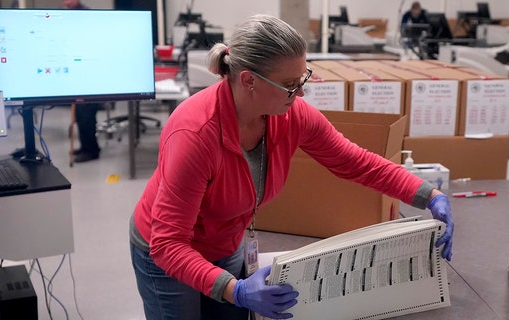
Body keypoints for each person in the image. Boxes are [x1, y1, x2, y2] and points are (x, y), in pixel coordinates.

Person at [129, 14, 454, 320]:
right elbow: (168, 244)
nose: (301, 92)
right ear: (248, 80)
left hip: (225, 242)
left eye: (303, 78)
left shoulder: (291, 114)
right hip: (167, 255)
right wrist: (235, 290)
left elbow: (354, 161)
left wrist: (428, 195)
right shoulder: (195, 135)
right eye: (290, 84)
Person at [62, 0, 102, 162]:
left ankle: (92, 150)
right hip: (76, 72)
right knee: (79, 114)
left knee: (87, 114)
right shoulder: (65, 16)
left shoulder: (85, 14)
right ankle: (86, 146)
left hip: (89, 72)